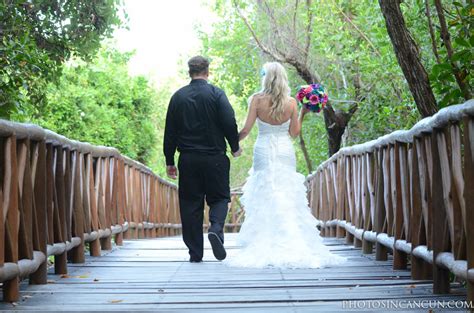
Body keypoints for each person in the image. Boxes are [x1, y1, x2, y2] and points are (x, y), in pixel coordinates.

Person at [226, 62, 345, 268]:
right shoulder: (291, 103)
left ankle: (263, 237)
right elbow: (293, 133)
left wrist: (232, 142)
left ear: (266, 78)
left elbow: (246, 129)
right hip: (284, 150)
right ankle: (291, 236)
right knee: (286, 190)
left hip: (263, 148)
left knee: (265, 189)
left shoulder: (255, 100)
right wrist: (302, 113)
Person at [164, 56, 242, 263]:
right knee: (219, 198)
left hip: (188, 159)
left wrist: (169, 160)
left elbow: (170, 131)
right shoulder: (217, 94)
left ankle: (195, 253)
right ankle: (216, 228)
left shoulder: (178, 97)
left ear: (189, 72)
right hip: (215, 157)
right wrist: (234, 146)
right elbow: (228, 121)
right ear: (207, 72)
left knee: (190, 204)